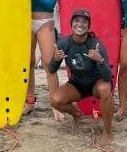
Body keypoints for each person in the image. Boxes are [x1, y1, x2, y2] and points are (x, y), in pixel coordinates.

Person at [47, 8, 117, 143]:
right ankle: (77, 114)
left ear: (88, 25)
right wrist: (55, 59)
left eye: (84, 21)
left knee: (105, 89)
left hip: (96, 83)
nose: (80, 24)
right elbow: (51, 70)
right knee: (55, 100)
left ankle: (107, 132)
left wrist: (100, 60)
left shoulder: (95, 44)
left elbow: (108, 77)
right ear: (71, 24)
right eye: (77, 21)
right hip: (77, 84)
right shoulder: (64, 43)